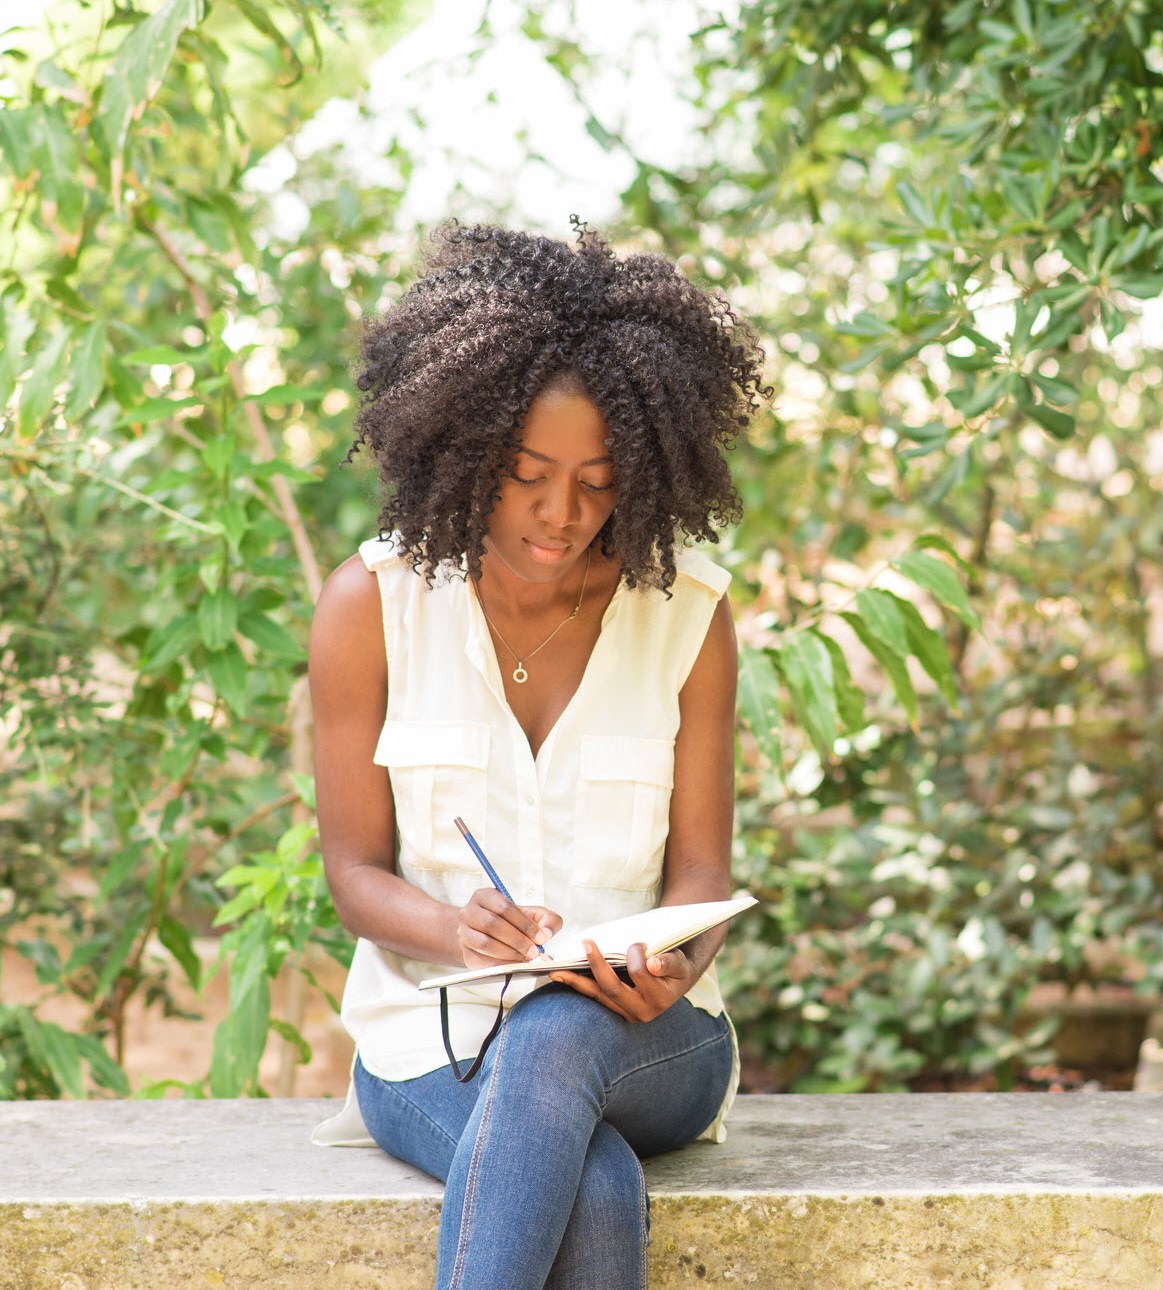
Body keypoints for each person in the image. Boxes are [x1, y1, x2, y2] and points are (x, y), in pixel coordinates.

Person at [306, 219, 767, 1290]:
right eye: (526, 475)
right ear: (463, 448)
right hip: (432, 1040)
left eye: (601, 482)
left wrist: (674, 966)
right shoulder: (369, 609)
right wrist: (453, 927)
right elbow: (353, 872)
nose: (561, 515)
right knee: (595, 1188)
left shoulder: (686, 617)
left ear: (650, 471)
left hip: (648, 1043)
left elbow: (701, 873)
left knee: (559, 1031)